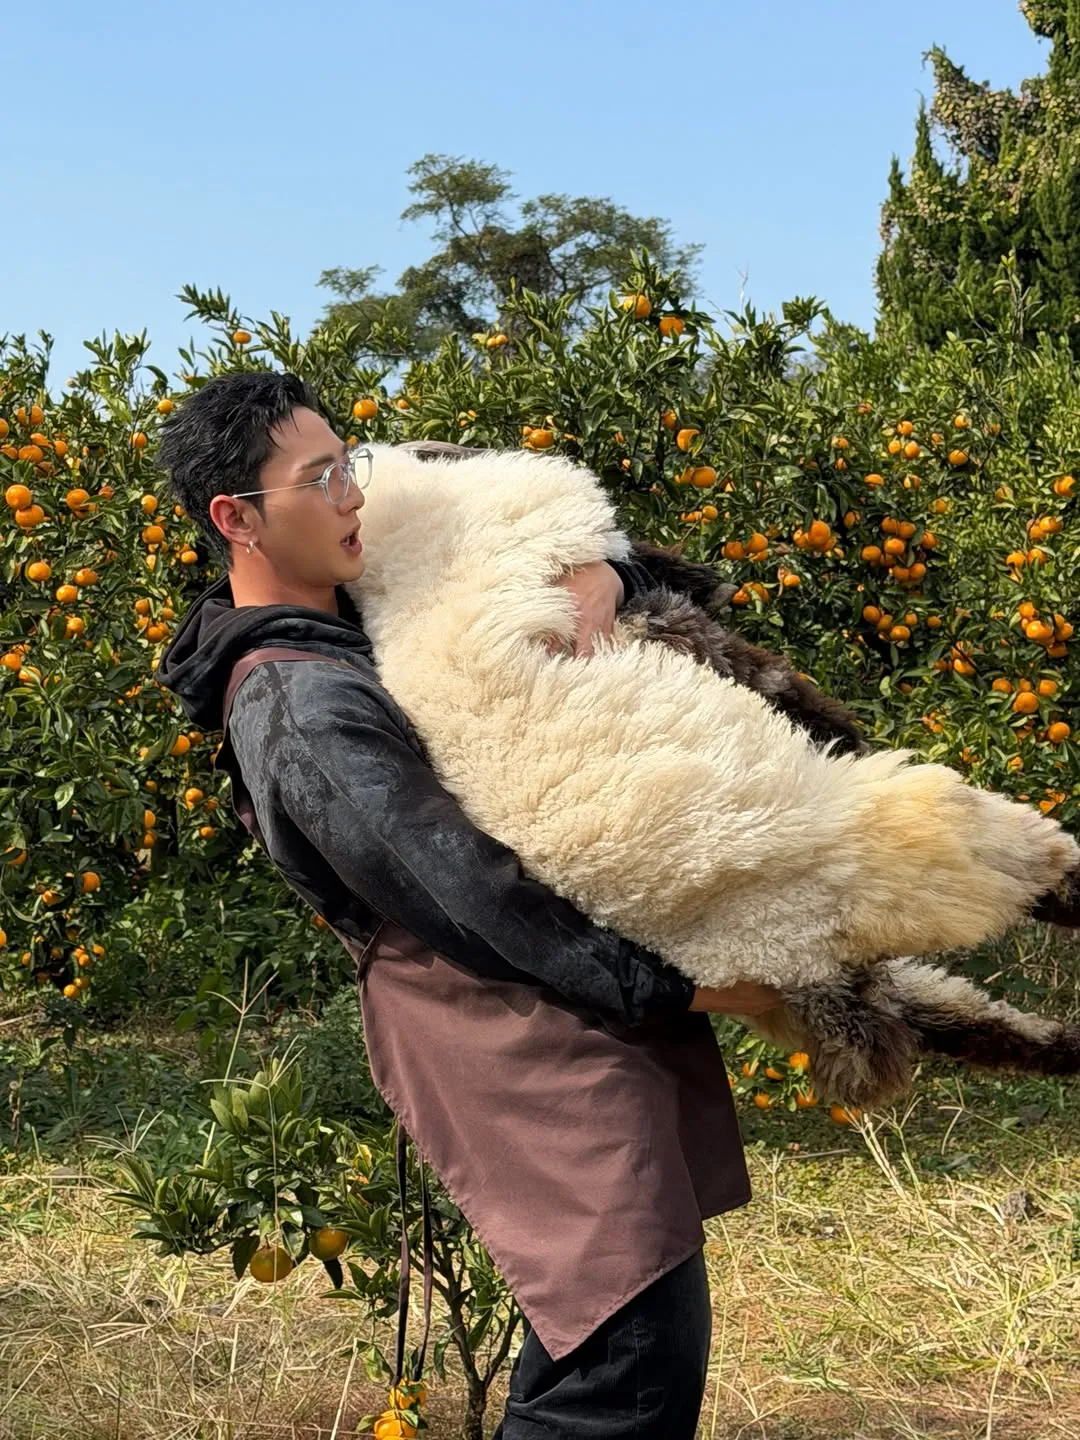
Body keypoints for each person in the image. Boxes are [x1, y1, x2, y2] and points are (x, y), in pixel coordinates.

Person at [156, 371, 780, 1438]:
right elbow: (477, 898)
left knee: (612, 1345)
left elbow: (528, 513)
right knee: (619, 1369)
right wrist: (688, 985)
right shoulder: (301, 701)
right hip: (517, 1029)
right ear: (236, 518)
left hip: (549, 1018)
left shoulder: (362, 594)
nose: (355, 493)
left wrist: (603, 581)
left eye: (349, 463)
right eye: (321, 478)